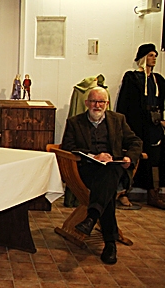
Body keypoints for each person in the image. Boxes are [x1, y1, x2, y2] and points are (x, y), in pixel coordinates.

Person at [62, 87, 142, 265]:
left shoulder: (118, 120)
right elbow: (67, 146)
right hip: (87, 172)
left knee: (110, 171)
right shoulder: (75, 122)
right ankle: (110, 243)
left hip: (113, 170)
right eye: (93, 101)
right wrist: (93, 156)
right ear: (86, 103)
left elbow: (136, 141)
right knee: (107, 189)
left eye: (101, 102)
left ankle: (92, 218)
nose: (97, 105)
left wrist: (130, 156)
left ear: (107, 103)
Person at [117, 43, 165, 209]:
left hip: (154, 124)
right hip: (137, 124)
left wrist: (162, 119)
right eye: (151, 55)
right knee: (133, 156)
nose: (154, 58)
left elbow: (161, 102)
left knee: (155, 157)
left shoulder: (158, 80)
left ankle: (153, 192)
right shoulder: (132, 77)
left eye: (155, 55)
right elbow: (125, 103)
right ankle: (123, 192)